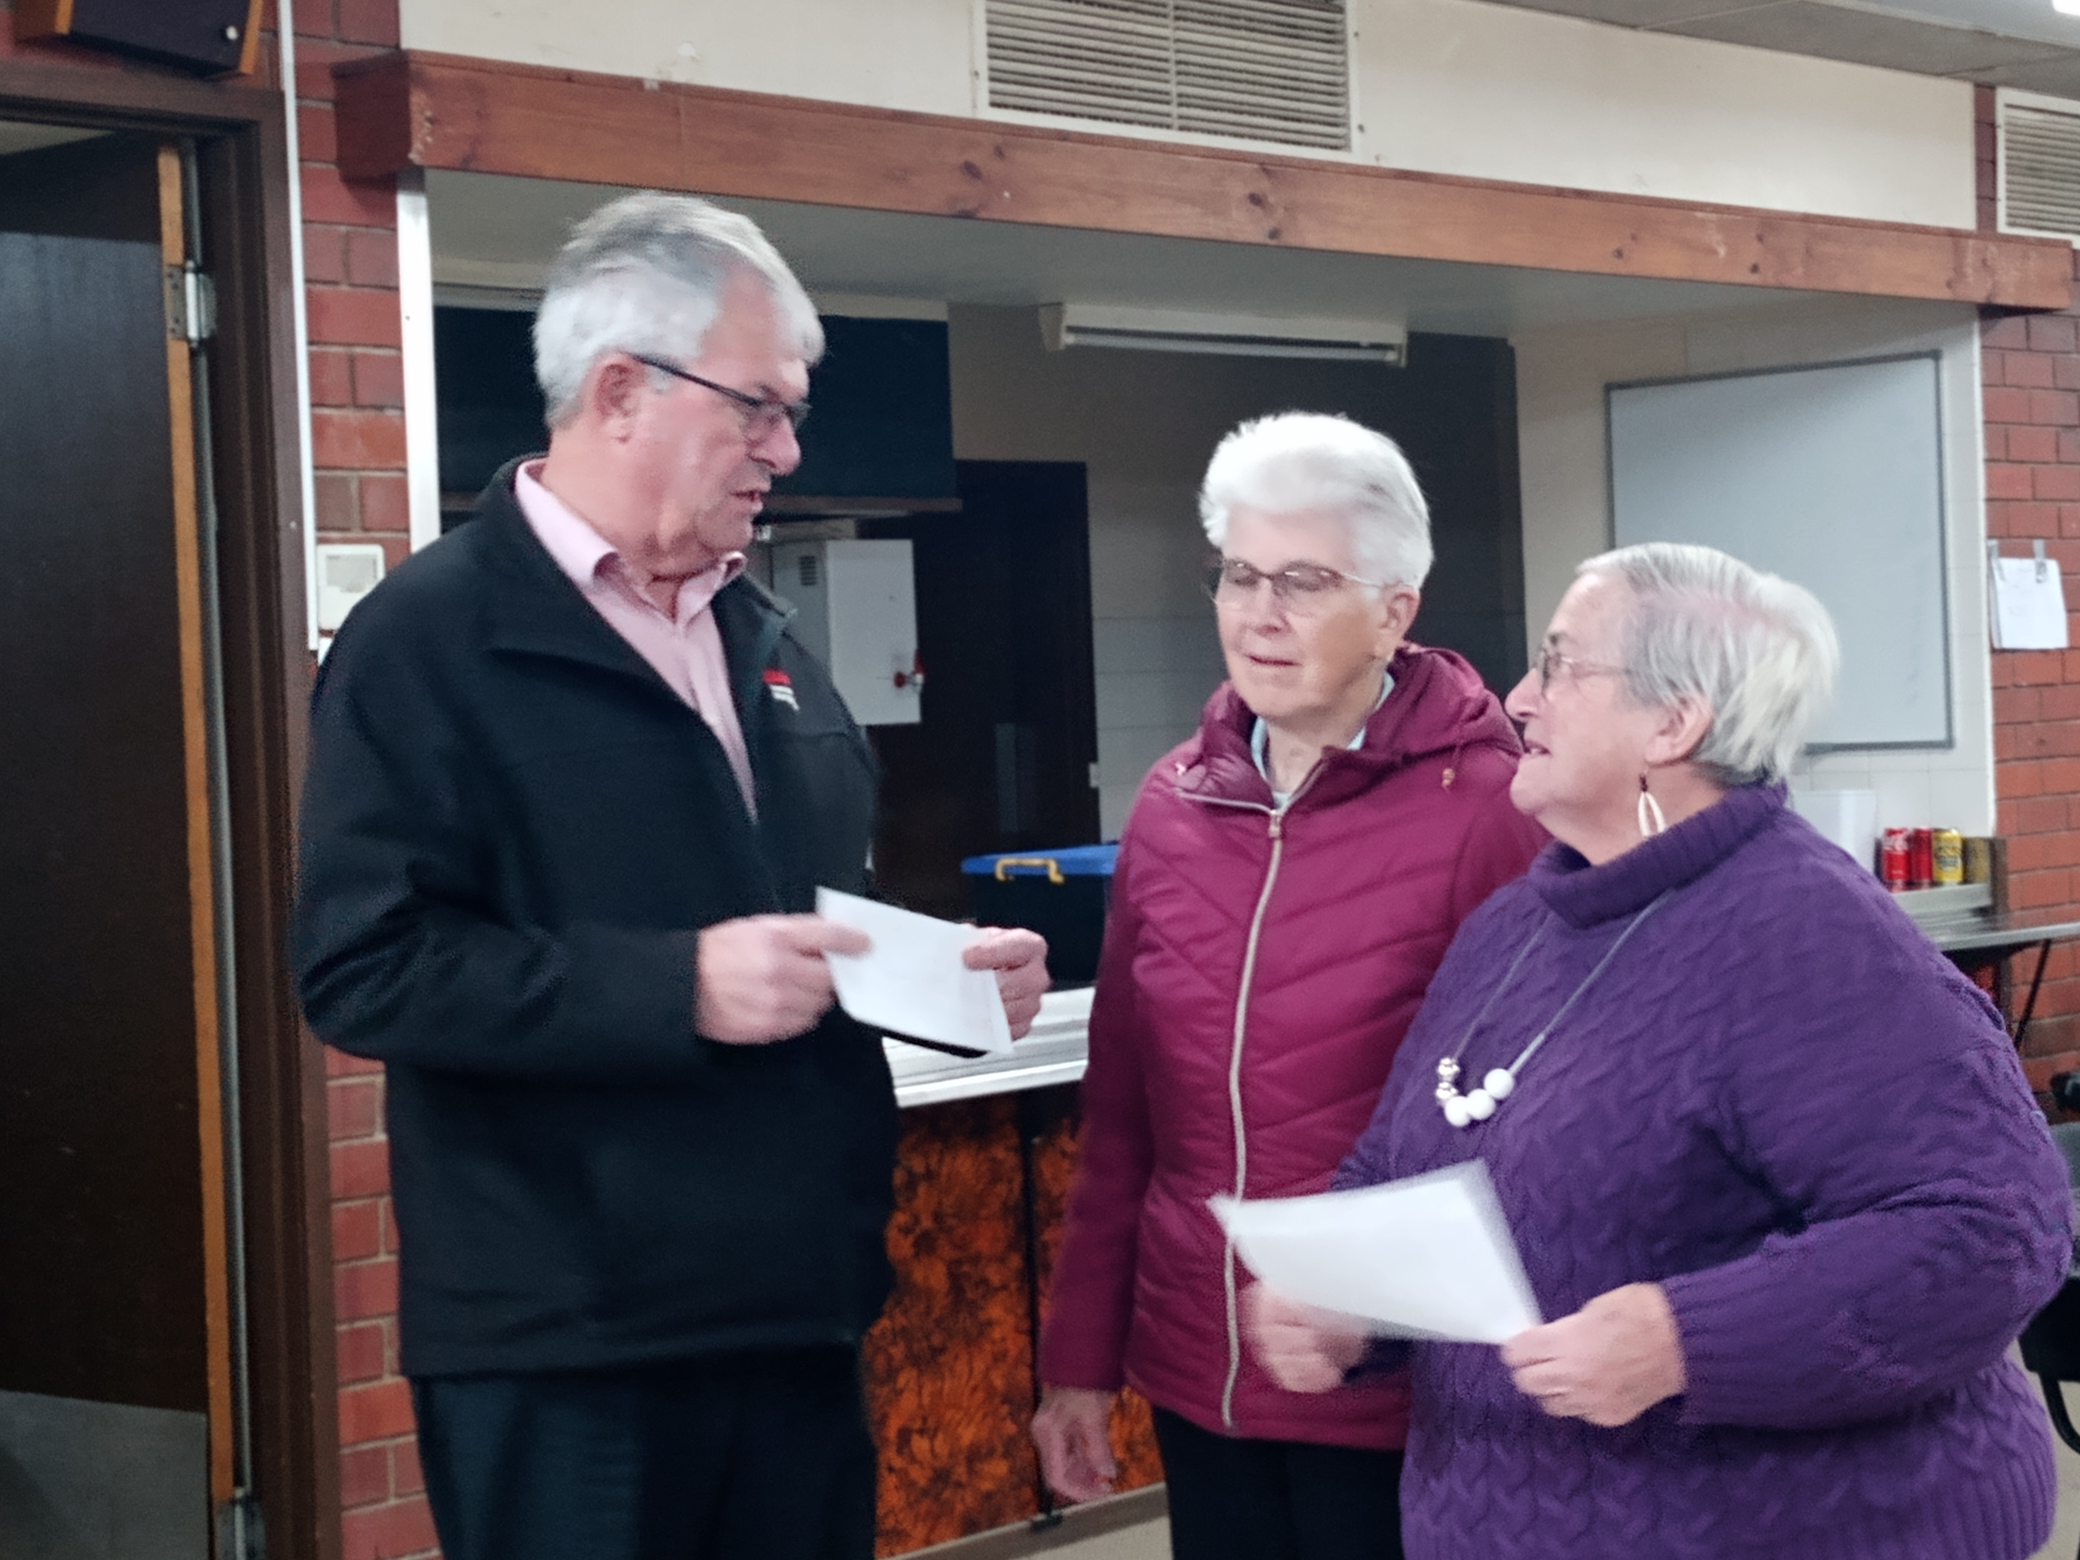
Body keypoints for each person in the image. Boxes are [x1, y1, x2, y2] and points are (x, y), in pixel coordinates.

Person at [292, 193, 1049, 1560]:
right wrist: (673, 987)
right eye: (757, 407)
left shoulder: (760, 632)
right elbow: (365, 967)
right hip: (570, 1342)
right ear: (621, 390)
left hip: (795, 1311)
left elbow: (786, 907)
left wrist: (935, 969)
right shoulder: (429, 640)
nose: (790, 447)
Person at [1249, 542, 2074, 1560]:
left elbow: (1993, 1231)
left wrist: (1688, 1339)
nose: (1517, 698)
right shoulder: (1515, 928)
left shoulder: (1810, 938)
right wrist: (1350, 1301)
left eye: (1559, 665)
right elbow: (1402, 1164)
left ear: (1673, 722)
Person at [1031, 413, 1544, 1560]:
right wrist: (1077, 1363)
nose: (1259, 614)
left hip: (1397, 1388)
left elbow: (1543, 1132)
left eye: (1304, 582)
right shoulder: (1173, 802)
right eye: (1239, 575)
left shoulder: (1491, 804)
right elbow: (1123, 1118)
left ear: (1394, 610)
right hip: (1197, 1369)